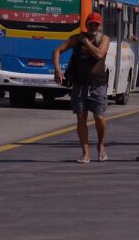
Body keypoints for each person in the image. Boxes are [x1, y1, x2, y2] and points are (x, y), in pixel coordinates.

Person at [53, 12, 111, 164]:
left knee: (99, 117)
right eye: (91, 23)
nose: (93, 27)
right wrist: (57, 69)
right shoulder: (75, 39)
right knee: (80, 118)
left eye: (96, 24)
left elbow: (99, 54)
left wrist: (86, 42)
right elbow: (57, 51)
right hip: (79, 84)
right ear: (86, 24)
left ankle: (100, 143)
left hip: (97, 84)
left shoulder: (103, 39)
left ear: (100, 26)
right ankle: (85, 153)